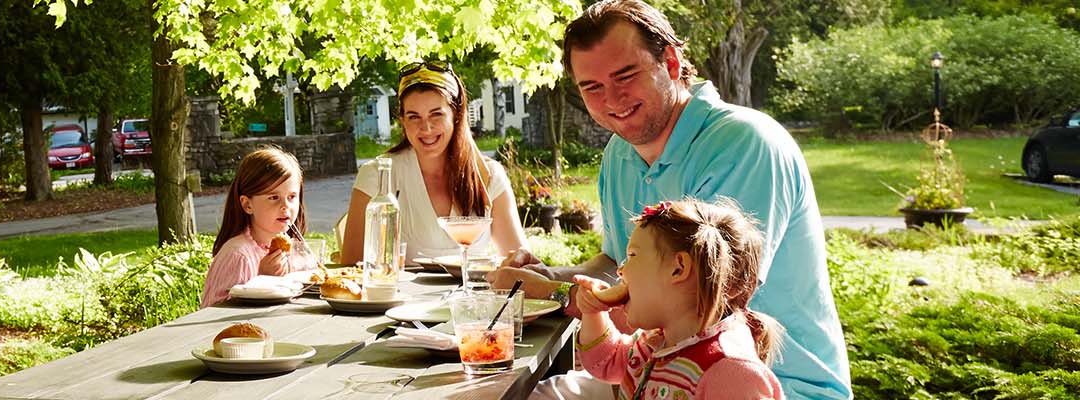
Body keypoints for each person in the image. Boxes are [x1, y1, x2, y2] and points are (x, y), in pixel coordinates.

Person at [490, 1, 850, 398]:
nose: (611, 99)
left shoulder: (744, 144)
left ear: (672, 63)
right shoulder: (620, 152)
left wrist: (553, 294)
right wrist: (548, 275)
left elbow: (697, 302)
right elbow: (615, 264)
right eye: (591, 87)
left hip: (763, 383)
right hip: (662, 369)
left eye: (625, 75)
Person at [552, 200, 785, 399]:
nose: (621, 270)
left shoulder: (731, 373)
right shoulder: (658, 341)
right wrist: (593, 312)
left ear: (678, 268)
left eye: (632, 255)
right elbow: (606, 363)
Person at [340, 61, 526, 265]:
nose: (426, 127)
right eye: (414, 117)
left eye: (436, 114)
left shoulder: (489, 175)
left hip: (473, 296)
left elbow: (519, 261)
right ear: (402, 120)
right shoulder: (377, 174)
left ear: (456, 114)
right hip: (401, 296)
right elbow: (351, 265)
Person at [200, 148, 313, 308]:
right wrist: (263, 281)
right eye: (274, 197)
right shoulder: (239, 256)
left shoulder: (295, 252)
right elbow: (213, 315)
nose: (285, 206)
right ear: (247, 204)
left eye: (291, 197)